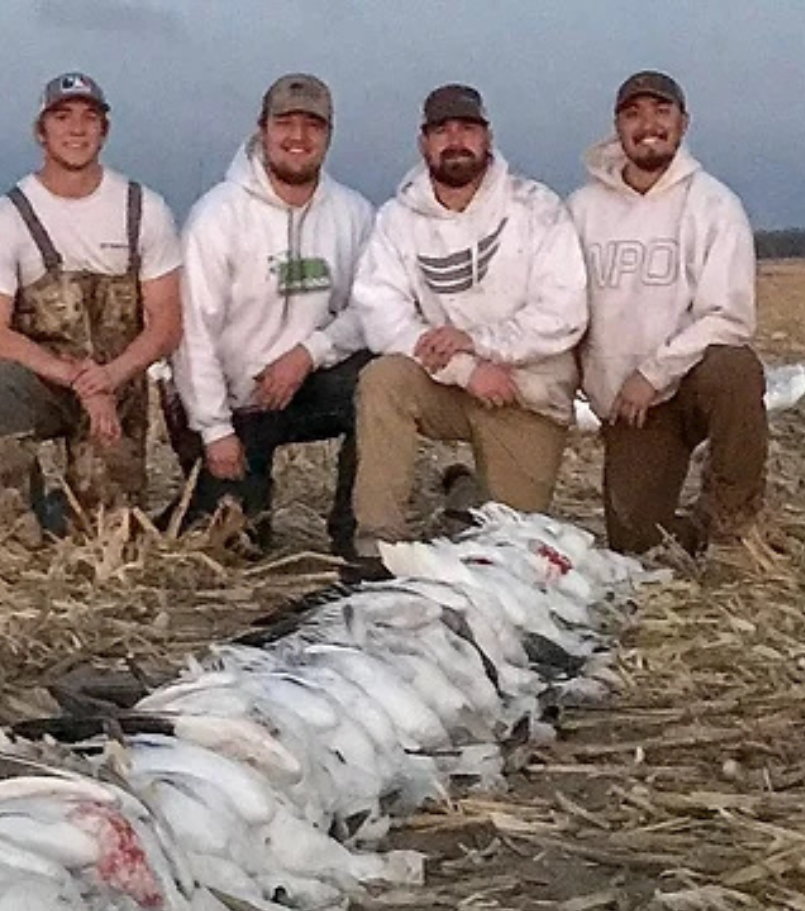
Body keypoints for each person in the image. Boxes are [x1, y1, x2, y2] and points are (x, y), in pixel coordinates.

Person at [350, 84, 588, 550]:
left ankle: (466, 497)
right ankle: (378, 543)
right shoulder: (397, 219)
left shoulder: (537, 207)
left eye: (467, 128)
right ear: (424, 143)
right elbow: (381, 315)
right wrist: (467, 369)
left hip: (528, 392)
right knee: (383, 379)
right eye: (441, 130)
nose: (454, 139)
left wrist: (481, 343)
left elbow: (564, 312)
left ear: (488, 138)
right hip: (450, 382)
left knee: (509, 546)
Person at [0, 73, 183, 536]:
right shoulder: (8, 218)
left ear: (105, 130)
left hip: (118, 387)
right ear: (41, 132)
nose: (77, 129)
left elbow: (166, 324)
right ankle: (11, 511)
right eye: (62, 117)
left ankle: (66, 508)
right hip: (45, 384)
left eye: (89, 118)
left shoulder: (144, 209)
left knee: (106, 532)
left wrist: (111, 377)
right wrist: (79, 381)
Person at [171, 73, 375, 555]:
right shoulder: (216, 216)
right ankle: (212, 497)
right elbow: (191, 333)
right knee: (233, 546)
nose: (299, 138)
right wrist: (216, 428)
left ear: (330, 134)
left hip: (306, 387)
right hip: (233, 402)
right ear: (262, 129)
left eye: (313, 125)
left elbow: (372, 310)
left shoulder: (354, 214)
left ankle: (358, 535)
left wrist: (309, 352)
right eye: (285, 123)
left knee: (380, 382)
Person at [568, 71, 766, 554]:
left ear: (683, 123)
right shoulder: (580, 209)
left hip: (692, 381)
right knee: (637, 543)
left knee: (734, 367)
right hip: (633, 410)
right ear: (617, 127)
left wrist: (652, 373)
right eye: (633, 114)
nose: (648, 125)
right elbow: (562, 309)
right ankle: (688, 531)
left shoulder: (715, 205)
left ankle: (729, 523)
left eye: (662, 112)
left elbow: (729, 316)